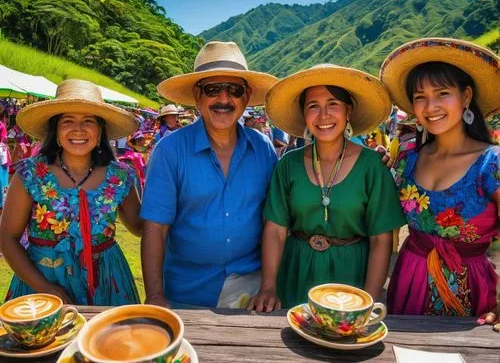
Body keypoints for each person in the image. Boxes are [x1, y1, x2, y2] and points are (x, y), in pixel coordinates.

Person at [248, 64, 406, 311]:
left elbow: (380, 239)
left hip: (352, 273)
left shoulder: (372, 166)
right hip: (296, 270)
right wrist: (268, 287)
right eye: (313, 106)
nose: (323, 116)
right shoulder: (288, 164)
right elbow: (275, 230)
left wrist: (371, 297)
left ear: (348, 110)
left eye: (333, 104)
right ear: (304, 114)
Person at [140, 41, 279, 308]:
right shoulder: (170, 151)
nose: (224, 99)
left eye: (234, 91)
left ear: (246, 97)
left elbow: (272, 222)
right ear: (197, 96)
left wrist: (269, 285)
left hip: (251, 289)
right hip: (186, 290)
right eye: (213, 89)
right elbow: (156, 228)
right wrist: (156, 294)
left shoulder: (263, 148)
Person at [380, 38, 499, 325]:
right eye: (420, 96)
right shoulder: (407, 157)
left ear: (466, 96)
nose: (430, 106)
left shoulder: (491, 163)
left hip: (470, 290)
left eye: (442, 93)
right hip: (409, 280)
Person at [0, 79, 142, 305]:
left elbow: (141, 227)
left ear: (100, 130)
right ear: (55, 129)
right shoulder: (30, 175)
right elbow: (7, 238)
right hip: (42, 282)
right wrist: (46, 288)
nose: (78, 129)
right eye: (68, 121)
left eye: (88, 121)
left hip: (108, 283)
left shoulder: (120, 176)